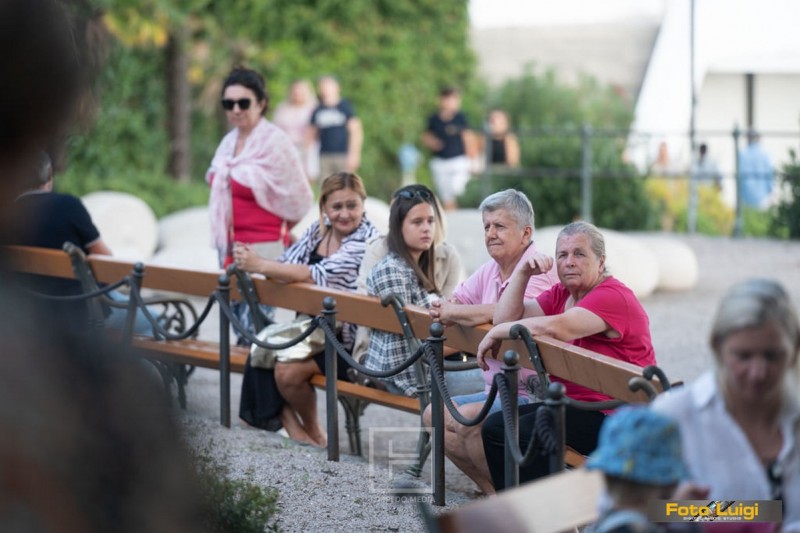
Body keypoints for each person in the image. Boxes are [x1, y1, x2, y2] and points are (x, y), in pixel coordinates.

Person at [0, 2, 205, 531]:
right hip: (75, 316)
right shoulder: (89, 387)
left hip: (48, 307)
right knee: (143, 317)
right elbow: (112, 266)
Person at [478, 220, 657, 490]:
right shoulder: (561, 293)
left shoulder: (612, 296)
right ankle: (525, 508)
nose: (569, 262)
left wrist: (498, 331)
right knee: (495, 428)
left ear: (601, 261)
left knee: (526, 433)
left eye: (579, 254)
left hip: (617, 415)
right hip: (577, 407)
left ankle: (549, 509)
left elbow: (558, 326)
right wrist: (523, 273)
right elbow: (505, 318)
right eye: (562, 255)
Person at [422, 189, 558, 494]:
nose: (490, 234)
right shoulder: (491, 269)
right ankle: (493, 490)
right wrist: (454, 309)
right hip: (497, 388)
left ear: (525, 233)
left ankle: (510, 499)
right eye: (486, 227)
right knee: (433, 415)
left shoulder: (537, 270)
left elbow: (509, 317)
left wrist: (458, 312)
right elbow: (454, 304)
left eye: (499, 226)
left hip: (533, 394)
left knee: (469, 422)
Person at [233, 172, 379, 447]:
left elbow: (315, 274)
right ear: (324, 207)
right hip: (310, 330)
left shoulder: (368, 240)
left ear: (363, 204)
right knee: (263, 349)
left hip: (346, 341)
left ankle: (313, 433)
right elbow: (287, 263)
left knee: (285, 371)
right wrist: (265, 264)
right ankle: (298, 432)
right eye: (336, 206)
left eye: (352, 205)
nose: (344, 214)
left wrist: (260, 264)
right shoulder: (318, 231)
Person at [652, 278, 800, 529]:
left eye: (772, 356)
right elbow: (628, 512)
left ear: (795, 351)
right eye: (743, 356)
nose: (758, 373)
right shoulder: (675, 416)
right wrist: (751, 513)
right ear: (717, 347)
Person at [207, 66, 313, 339]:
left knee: (256, 333)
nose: (236, 109)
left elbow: (301, 196)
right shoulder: (227, 143)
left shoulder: (276, 143)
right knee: (237, 328)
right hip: (229, 248)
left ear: (261, 103)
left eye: (243, 102)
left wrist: (282, 230)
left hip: (264, 249)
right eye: (228, 103)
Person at [11, 151, 152, 335]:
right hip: (82, 314)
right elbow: (105, 261)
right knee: (157, 322)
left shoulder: (6, 214)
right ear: (50, 177)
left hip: (25, 316)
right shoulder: (67, 205)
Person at [362, 185, 444, 395]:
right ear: (398, 227)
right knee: (499, 384)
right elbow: (407, 338)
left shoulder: (416, 265)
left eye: (430, 221)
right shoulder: (392, 270)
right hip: (406, 375)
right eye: (417, 222)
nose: (426, 228)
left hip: (421, 366)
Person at [583, 406, 691, 533]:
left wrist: (696, 510)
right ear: (671, 484)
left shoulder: (605, 520)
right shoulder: (640, 525)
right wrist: (700, 511)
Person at [421, 87, 476, 211]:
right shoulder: (434, 119)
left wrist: (472, 159)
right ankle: (452, 216)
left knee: (457, 188)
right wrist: (432, 143)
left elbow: (468, 138)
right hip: (440, 161)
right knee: (446, 196)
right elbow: (426, 135)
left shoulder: (460, 117)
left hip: (458, 159)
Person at [307, 75, 363, 178]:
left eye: (328, 86)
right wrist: (308, 159)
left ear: (337, 87)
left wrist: (354, 154)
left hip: (343, 155)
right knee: (326, 184)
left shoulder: (345, 106)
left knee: (345, 184)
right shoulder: (318, 109)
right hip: (324, 155)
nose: (325, 89)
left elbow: (355, 130)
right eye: (323, 86)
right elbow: (311, 133)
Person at [272, 79, 319, 181]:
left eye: (300, 91)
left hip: (308, 148)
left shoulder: (314, 108)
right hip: (287, 147)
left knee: (308, 176)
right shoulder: (282, 108)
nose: (297, 93)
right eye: (295, 91)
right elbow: (276, 129)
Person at [738, 131, 774, 209]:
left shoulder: (742, 154)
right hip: (763, 197)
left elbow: (740, 176)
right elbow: (769, 176)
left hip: (746, 196)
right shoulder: (765, 154)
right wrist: (771, 193)